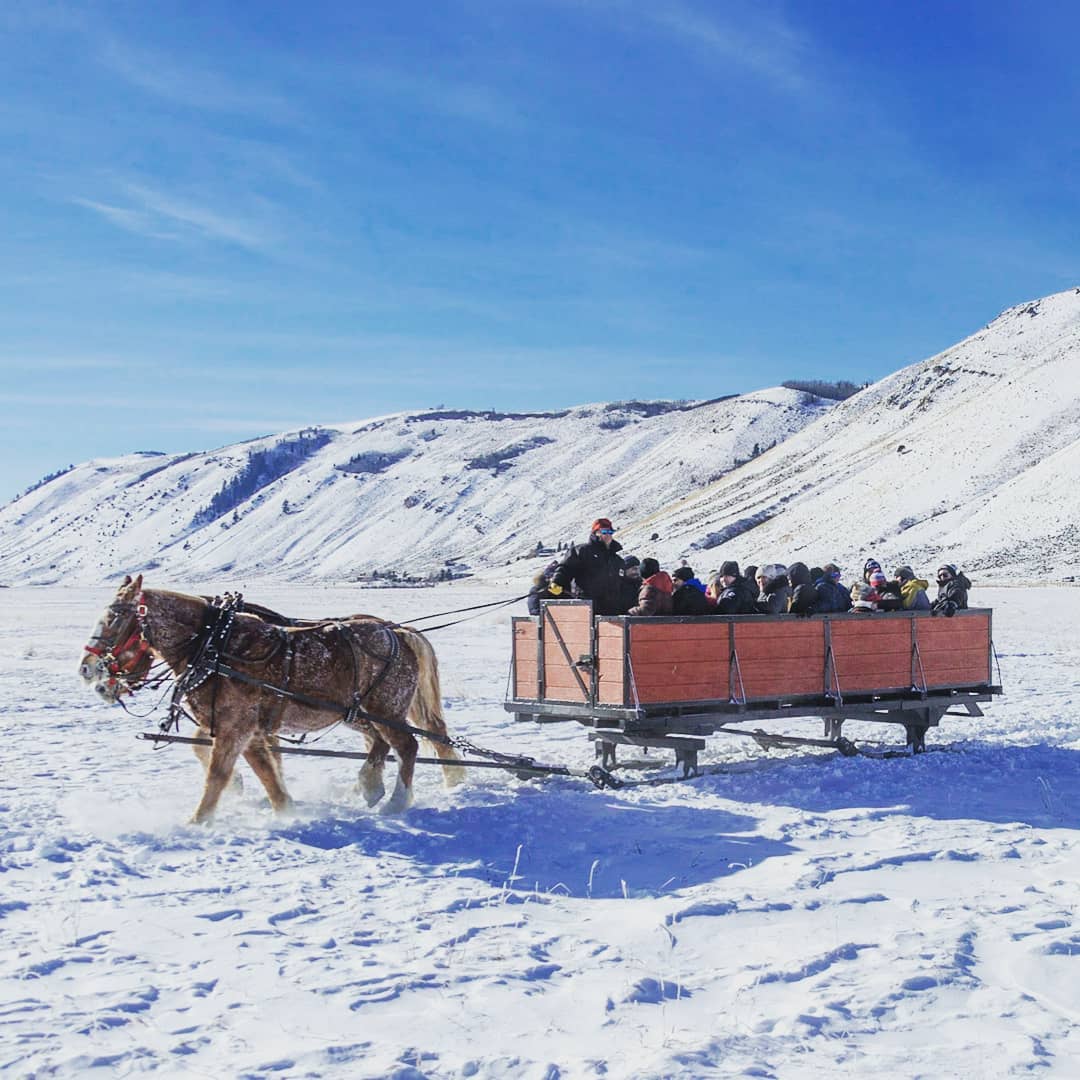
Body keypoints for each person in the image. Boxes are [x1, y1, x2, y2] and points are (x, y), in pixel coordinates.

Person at [548, 518, 627, 616]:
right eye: (604, 532)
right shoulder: (582, 551)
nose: (608, 535)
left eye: (610, 532)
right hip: (587, 608)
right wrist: (557, 581)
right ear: (595, 533)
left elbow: (624, 583)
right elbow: (566, 568)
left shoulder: (617, 560)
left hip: (612, 611)